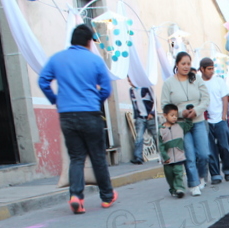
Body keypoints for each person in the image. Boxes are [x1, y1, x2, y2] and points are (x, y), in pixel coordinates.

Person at [39, 24, 117, 215]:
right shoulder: (95, 61)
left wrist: (56, 100)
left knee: (76, 157)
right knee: (98, 157)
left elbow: (43, 81)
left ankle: (76, 197)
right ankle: (107, 197)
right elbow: (106, 89)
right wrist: (94, 101)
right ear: (89, 42)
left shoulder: (57, 59)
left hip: (67, 115)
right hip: (90, 114)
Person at [161, 52, 210, 196]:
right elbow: (165, 105)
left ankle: (201, 176)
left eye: (188, 63)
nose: (186, 66)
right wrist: (180, 112)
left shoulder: (197, 80)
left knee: (204, 154)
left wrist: (197, 110)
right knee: (189, 155)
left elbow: (206, 99)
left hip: (198, 120)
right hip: (181, 124)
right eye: (183, 63)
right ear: (177, 64)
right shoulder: (169, 83)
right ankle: (193, 184)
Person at [199, 57, 229, 183]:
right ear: (202, 69)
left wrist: (224, 115)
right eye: (209, 69)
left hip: (220, 119)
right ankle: (215, 174)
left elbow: (225, 98)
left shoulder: (219, 81)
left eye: (212, 68)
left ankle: (227, 170)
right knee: (210, 149)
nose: (211, 71)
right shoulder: (198, 83)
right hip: (206, 121)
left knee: (224, 147)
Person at [158, 103, 192, 198]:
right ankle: (173, 189)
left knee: (178, 173)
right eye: (172, 115)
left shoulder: (180, 126)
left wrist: (188, 116)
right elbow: (160, 145)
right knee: (169, 176)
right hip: (167, 159)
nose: (174, 118)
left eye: (176, 116)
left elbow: (189, 125)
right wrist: (165, 156)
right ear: (165, 115)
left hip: (179, 156)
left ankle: (180, 189)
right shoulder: (161, 129)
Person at [128, 77, 157, 165]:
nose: (130, 82)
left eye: (131, 80)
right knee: (139, 137)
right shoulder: (131, 90)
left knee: (156, 136)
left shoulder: (146, 87)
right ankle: (138, 157)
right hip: (140, 117)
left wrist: (152, 113)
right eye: (129, 81)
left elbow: (155, 100)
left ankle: (164, 155)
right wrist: (136, 116)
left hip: (150, 116)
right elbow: (134, 104)